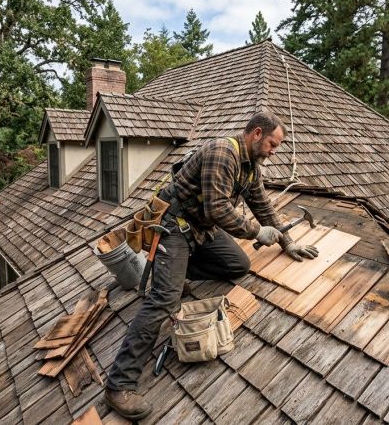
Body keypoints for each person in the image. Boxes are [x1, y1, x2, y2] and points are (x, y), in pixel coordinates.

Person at [104, 111, 319, 419]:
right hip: (174, 225)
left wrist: (288, 242)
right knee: (165, 299)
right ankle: (118, 385)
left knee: (238, 265)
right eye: (272, 144)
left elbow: (261, 204)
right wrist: (257, 232)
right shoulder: (223, 151)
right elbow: (217, 208)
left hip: (201, 229)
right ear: (257, 134)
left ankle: (176, 270)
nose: (273, 152)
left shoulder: (251, 167)